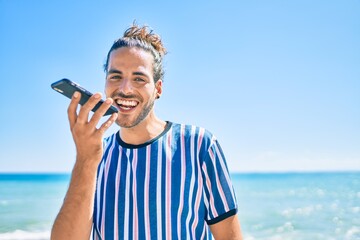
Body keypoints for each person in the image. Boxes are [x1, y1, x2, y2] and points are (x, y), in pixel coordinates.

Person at [51, 23, 242, 240]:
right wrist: (85, 159)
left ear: (158, 89)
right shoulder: (95, 155)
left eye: (139, 78)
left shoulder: (199, 145)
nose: (125, 89)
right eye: (115, 76)